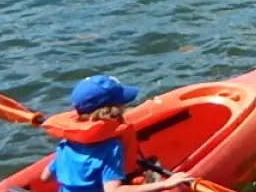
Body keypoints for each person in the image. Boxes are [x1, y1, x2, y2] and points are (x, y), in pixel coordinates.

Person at [36, 75, 192, 192]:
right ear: (115, 109)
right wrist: (166, 184)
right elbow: (114, 190)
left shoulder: (69, 139)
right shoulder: (111, 147)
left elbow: (45, 177)